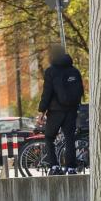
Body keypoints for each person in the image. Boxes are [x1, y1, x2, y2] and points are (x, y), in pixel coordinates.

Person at [37, 44, 84, 175]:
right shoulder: (74, 71)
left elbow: (47, 93)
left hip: (56, 111)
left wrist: (42, 111)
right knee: (70, 138)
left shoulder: (51, 71)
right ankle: (71, 168)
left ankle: (54, 166)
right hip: (72, 110)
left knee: (49, 137)